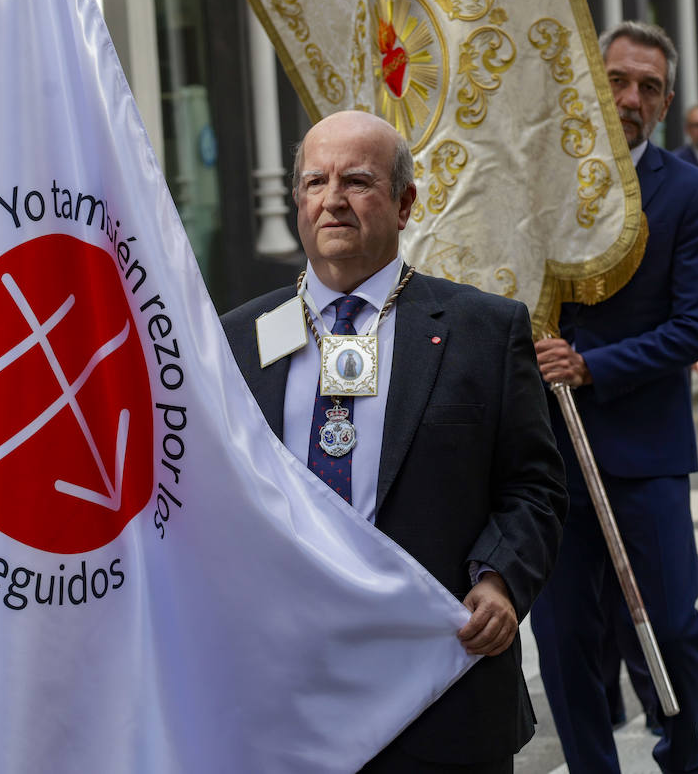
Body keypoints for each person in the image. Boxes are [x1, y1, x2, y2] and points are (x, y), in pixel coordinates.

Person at [221, 110, 568, 773]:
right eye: (315, 182)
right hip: (290, 695)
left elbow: (535, 485)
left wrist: (499, 580)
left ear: (406, 202)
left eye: (357, 181)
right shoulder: (239, 340)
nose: (333, 200)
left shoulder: (484, 330)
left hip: (439, 682)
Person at [530, 21, 698, 774]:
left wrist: (592, 366)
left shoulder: (691, 193)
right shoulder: (538, 182)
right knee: (566, 640)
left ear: (667, 102)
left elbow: (697, 325)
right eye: (616, 79)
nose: (630, 96)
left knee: (671, 629)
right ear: (592, 84)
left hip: (645, 451)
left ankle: (682, 751)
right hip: (548, 456)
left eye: (647, 85)